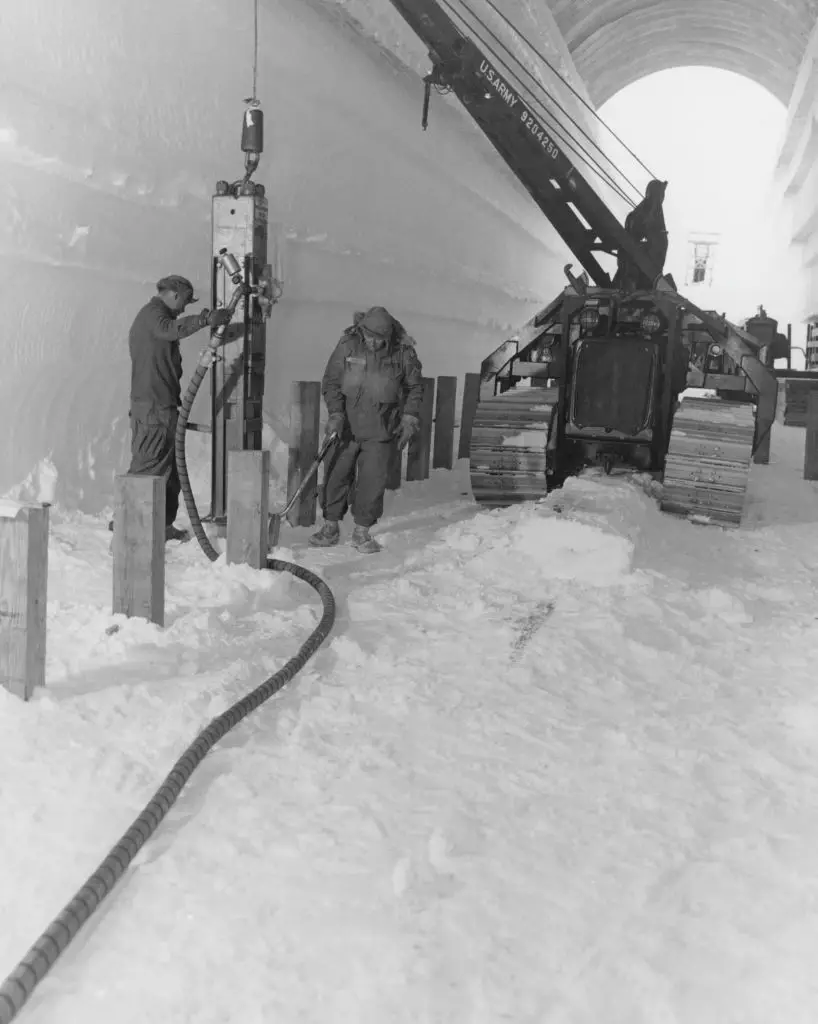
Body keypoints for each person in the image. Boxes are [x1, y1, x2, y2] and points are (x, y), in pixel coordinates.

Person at [116, 275, 231, 542]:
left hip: (164, 405)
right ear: (175, 295)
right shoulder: (152, 315)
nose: (184, 308)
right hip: (152, 408)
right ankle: (127, 526)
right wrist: (204, 320)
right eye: (185, 302)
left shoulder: (157, 316)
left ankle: (163, 525)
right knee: (147, 468)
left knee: (170, 473)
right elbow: (169, 329)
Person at [310, 306, 424, 554]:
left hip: (381, 430)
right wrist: (336, 413)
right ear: (362, 330)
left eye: (378, 339)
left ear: (388, 335)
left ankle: (361, 531)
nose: (372, 342)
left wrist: (409, 418)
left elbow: (415, 387)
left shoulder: (403, 351)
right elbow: (331, 381)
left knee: (372, 482)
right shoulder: (348, 345)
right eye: (369, 336)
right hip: (345, 427)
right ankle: (330, 527)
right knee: (335, 475)